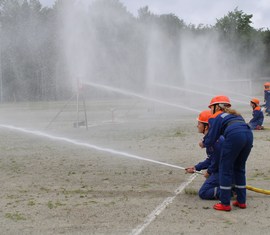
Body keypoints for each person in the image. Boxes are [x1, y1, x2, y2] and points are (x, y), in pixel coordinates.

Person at [199, 95, 253, 211]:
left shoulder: (215, 116)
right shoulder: (236, 114)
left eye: (211, 107)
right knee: (239, 168)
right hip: (248, 135)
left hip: (234, 136)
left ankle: (224, 203)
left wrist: (204, 143)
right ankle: (241, 201)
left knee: (225, 168)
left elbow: (212, 137)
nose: (210, 110)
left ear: (217, 107)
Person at [186, 110, 224, 200]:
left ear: (206, 126)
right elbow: (211, 159)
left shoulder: (214, 140)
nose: (197, 126)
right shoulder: (213, 138)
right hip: (224, 170)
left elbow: (217, 159)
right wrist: (196, 167)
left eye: (199, 123)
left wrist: (209, 171)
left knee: (204, 193)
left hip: (224, 171)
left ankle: (228, 191)